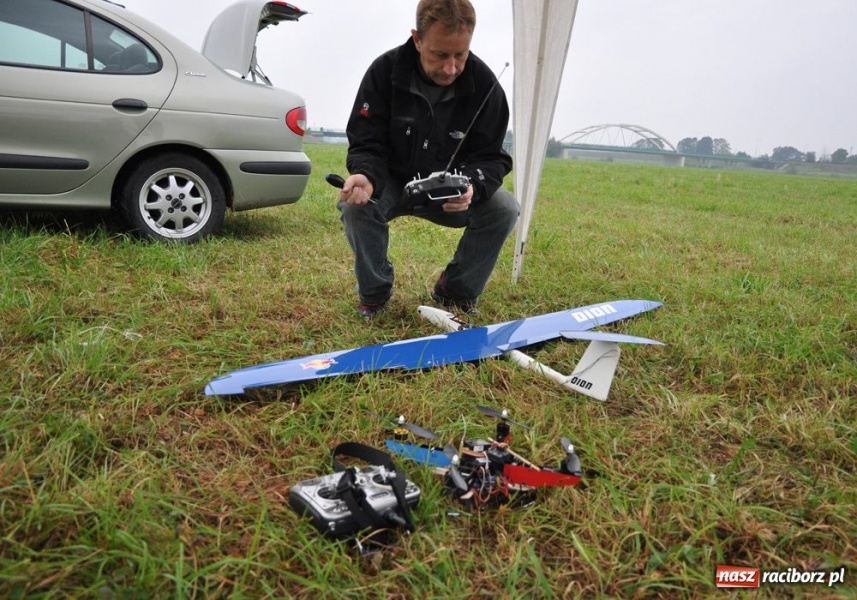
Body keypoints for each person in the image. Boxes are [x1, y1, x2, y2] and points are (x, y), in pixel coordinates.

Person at [337, 0, 519, 320]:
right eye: (440, 54)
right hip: (390, 181)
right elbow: (366, 142)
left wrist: (472, 185)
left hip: (448, 190)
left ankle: (455, 292)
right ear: (417, 39)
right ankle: (375, 295)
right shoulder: (383, 72)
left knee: (504, 208)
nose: (450, 68)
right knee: (355, 206)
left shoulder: (486, 86)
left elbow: (492, 157)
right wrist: (365, 175)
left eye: (459, 55)